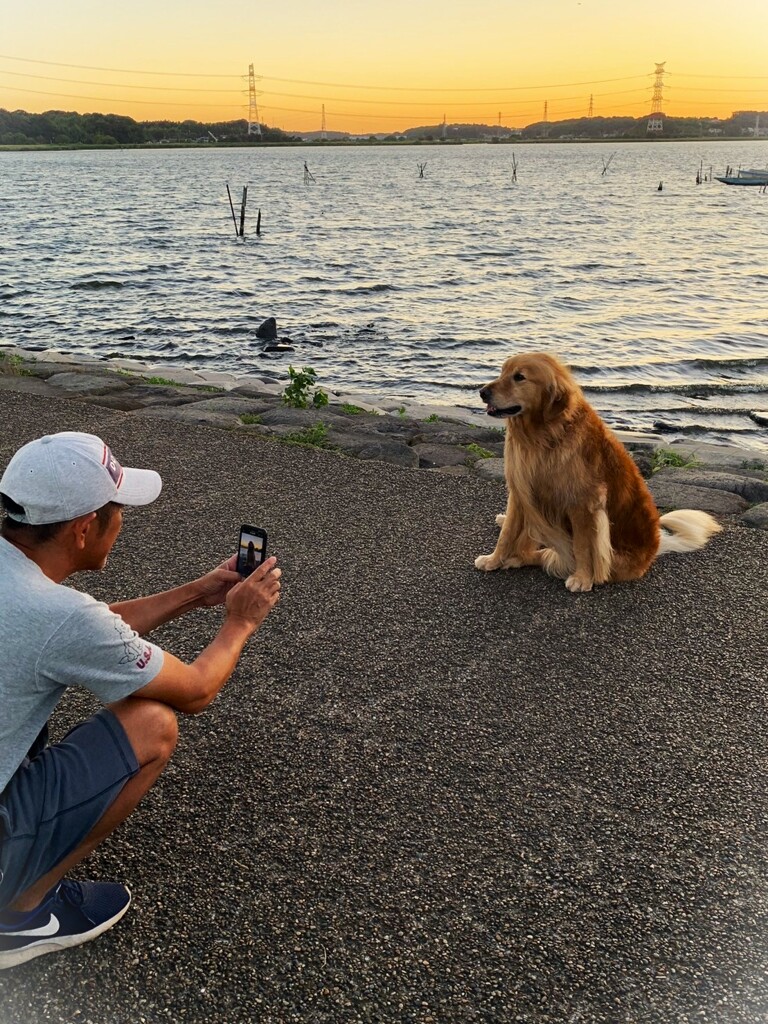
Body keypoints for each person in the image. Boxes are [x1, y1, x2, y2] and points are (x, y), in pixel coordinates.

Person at [0, 431, 281, 969]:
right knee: (152, 724)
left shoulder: (30, 592)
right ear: (85, 528)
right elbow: (197, 689)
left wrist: (198, 592)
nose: (124, 521)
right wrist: (240, 622)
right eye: (119, 509)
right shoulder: (58, 616)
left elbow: (76, 633)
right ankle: (20, 916)